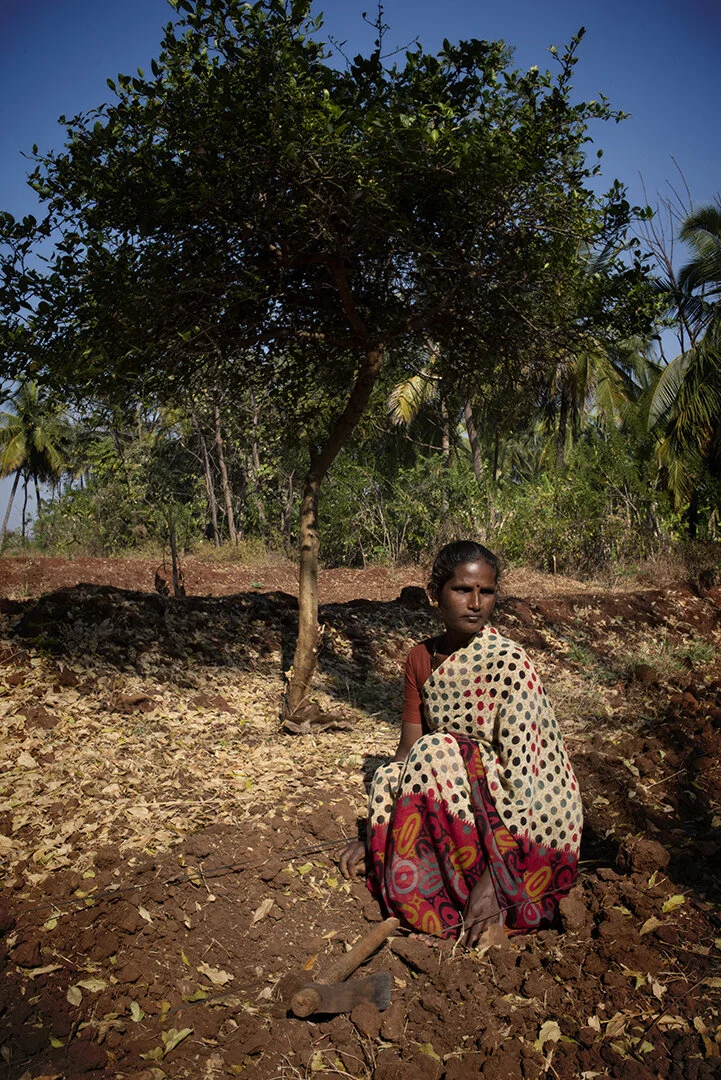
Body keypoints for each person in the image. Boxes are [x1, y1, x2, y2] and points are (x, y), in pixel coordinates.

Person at [339, 540, 582, 948]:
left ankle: (485, 884)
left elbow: (528, 775)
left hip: (516, 804)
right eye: (462, 590)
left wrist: (495, 878)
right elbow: (407, 752)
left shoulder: (509, 662)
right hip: (457, 798)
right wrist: (379, 832)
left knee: (439, 750)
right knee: (390, 776)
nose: (475, 603)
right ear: (436, 595)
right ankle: (433, 889)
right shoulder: (421, 659)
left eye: (486, 592)